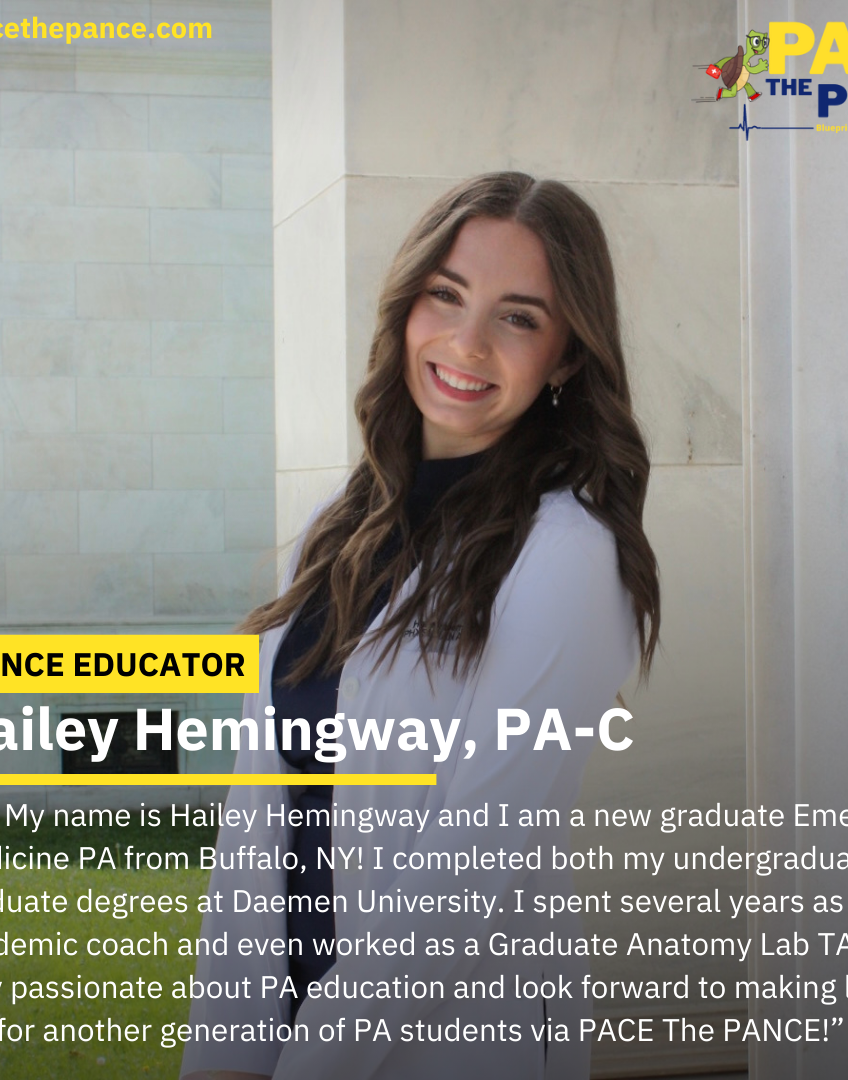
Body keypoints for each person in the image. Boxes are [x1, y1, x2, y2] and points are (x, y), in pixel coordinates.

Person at [180, 171, 660, 1080]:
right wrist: (228, 1053)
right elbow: (260, 819)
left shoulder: (567, 555)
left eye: (519, 316)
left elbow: (463, 875)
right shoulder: (334, 528)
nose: (467, 342)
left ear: (564, 356)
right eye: (446, 295)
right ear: (406, 308)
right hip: (286, 1019)